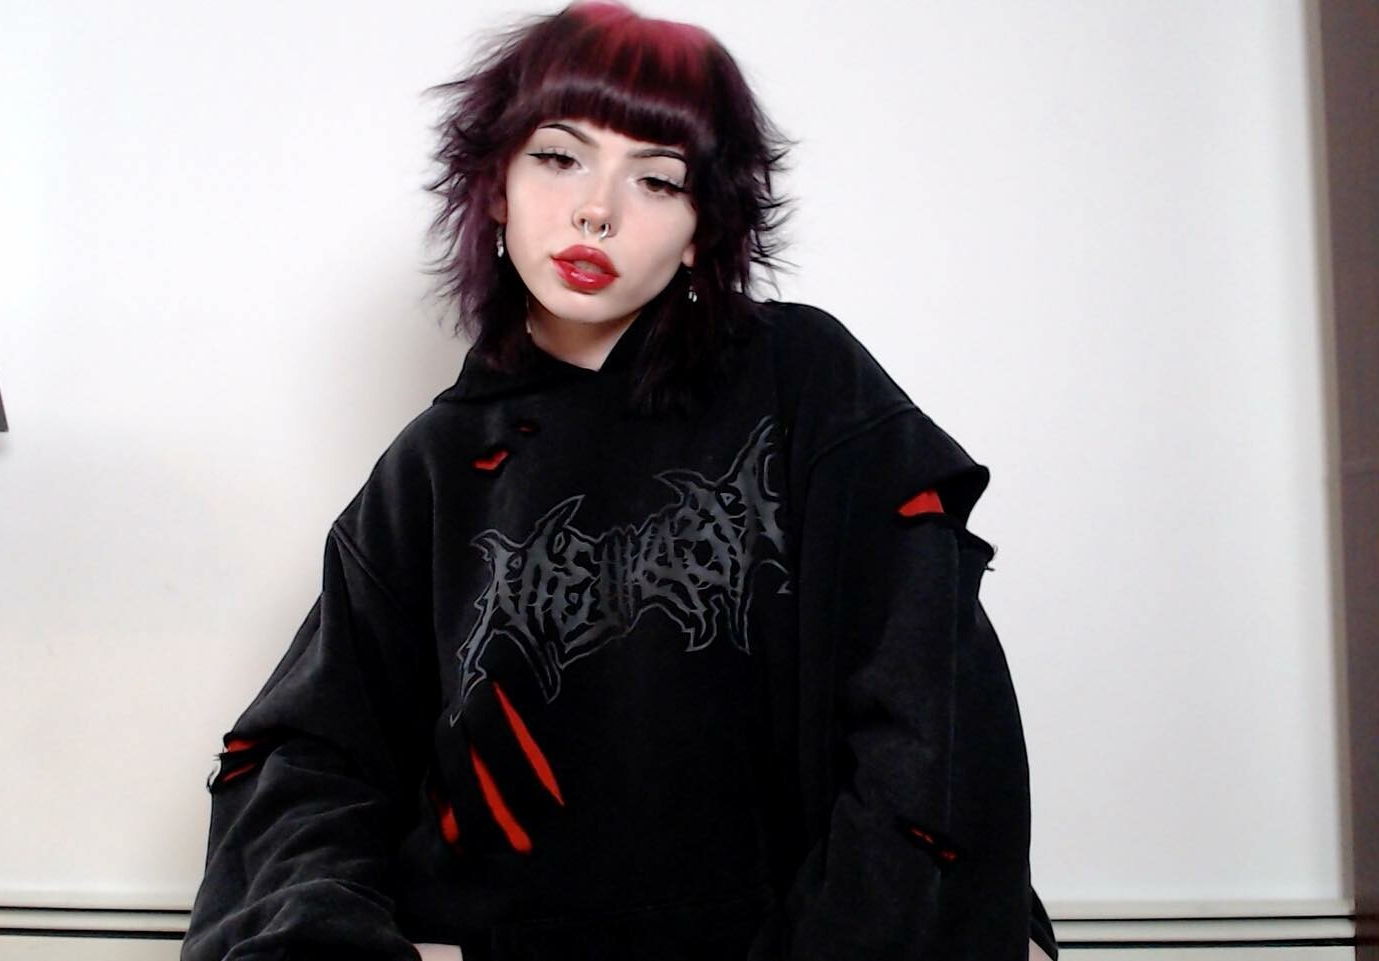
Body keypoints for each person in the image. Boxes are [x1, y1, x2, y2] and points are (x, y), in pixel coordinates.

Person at [179, 2, 1060, 960]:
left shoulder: (804, 381)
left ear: (699, 229)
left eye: (657, 178)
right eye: (559, 157)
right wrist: (331, 934)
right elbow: (308, 752)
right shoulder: (433, 466)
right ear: (498, 186)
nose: (597, 208)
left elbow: (929, 712)